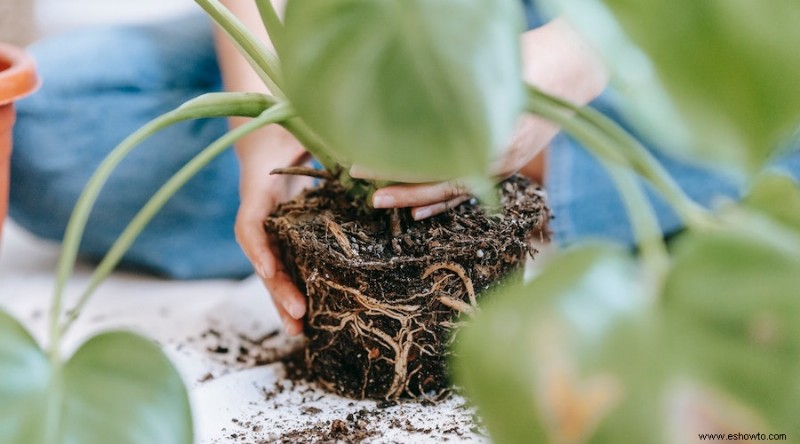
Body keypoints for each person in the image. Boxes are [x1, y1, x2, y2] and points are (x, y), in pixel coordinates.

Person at [9, 0, 748, 335]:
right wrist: (259, 120)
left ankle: (503, 165)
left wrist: (566, 65)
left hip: (629, 26)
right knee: (48, 132)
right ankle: (409, 147)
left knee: (766, 133)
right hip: (355, 25)